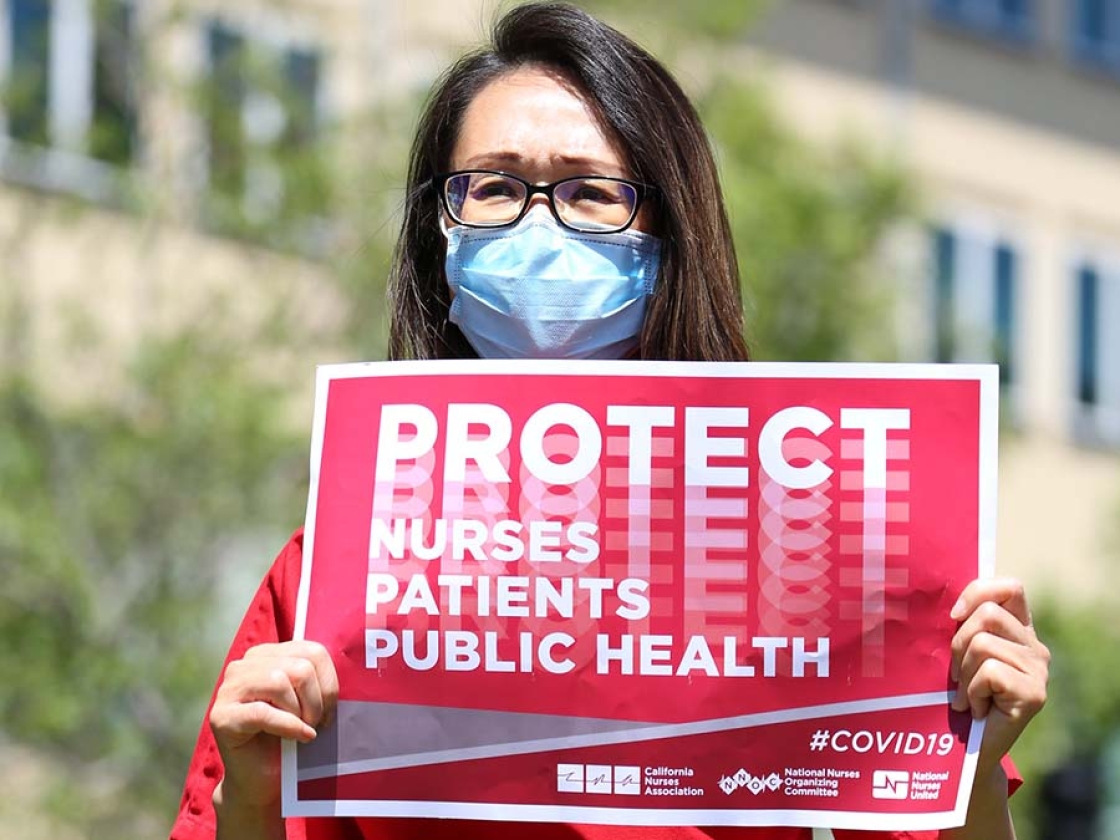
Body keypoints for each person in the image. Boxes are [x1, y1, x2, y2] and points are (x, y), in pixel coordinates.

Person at [169, 3, 1050, 839]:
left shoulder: (814, 554)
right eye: (494, 187)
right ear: (440, 234)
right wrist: (250, 784)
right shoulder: (330, 575)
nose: (539, 220)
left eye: (591, 191)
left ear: (670, 235)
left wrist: (968, 760)